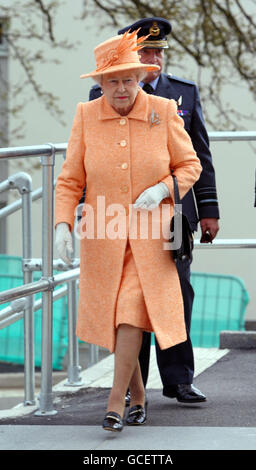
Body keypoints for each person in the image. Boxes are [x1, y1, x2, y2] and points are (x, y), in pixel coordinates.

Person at [54, 30, 202, 432]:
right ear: (100, 84)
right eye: (112, 80)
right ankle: (138, 395)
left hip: (154, 237)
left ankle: (114, 403)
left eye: (128, 79)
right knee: (116, 318)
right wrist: (63, 225)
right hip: (104, 234)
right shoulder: (86, 116)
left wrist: (162, 190)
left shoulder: (163, 109)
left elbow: (191, 166)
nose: (121, 88)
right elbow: (69, 180)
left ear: (140, 78)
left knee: (131, 312)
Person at [89, 17, 220, 405]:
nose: (155, 58)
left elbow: (200, 157)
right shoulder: (104, 97)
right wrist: (83, 209)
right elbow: (88, 163)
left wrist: (209, 209)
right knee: (130, 298)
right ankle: (134, 386)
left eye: (159, 51)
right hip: (121, 218)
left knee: (177, 291)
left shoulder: (184, 93)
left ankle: (179, 379)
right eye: (147, 51)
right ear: (132, 56)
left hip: (175, 214)